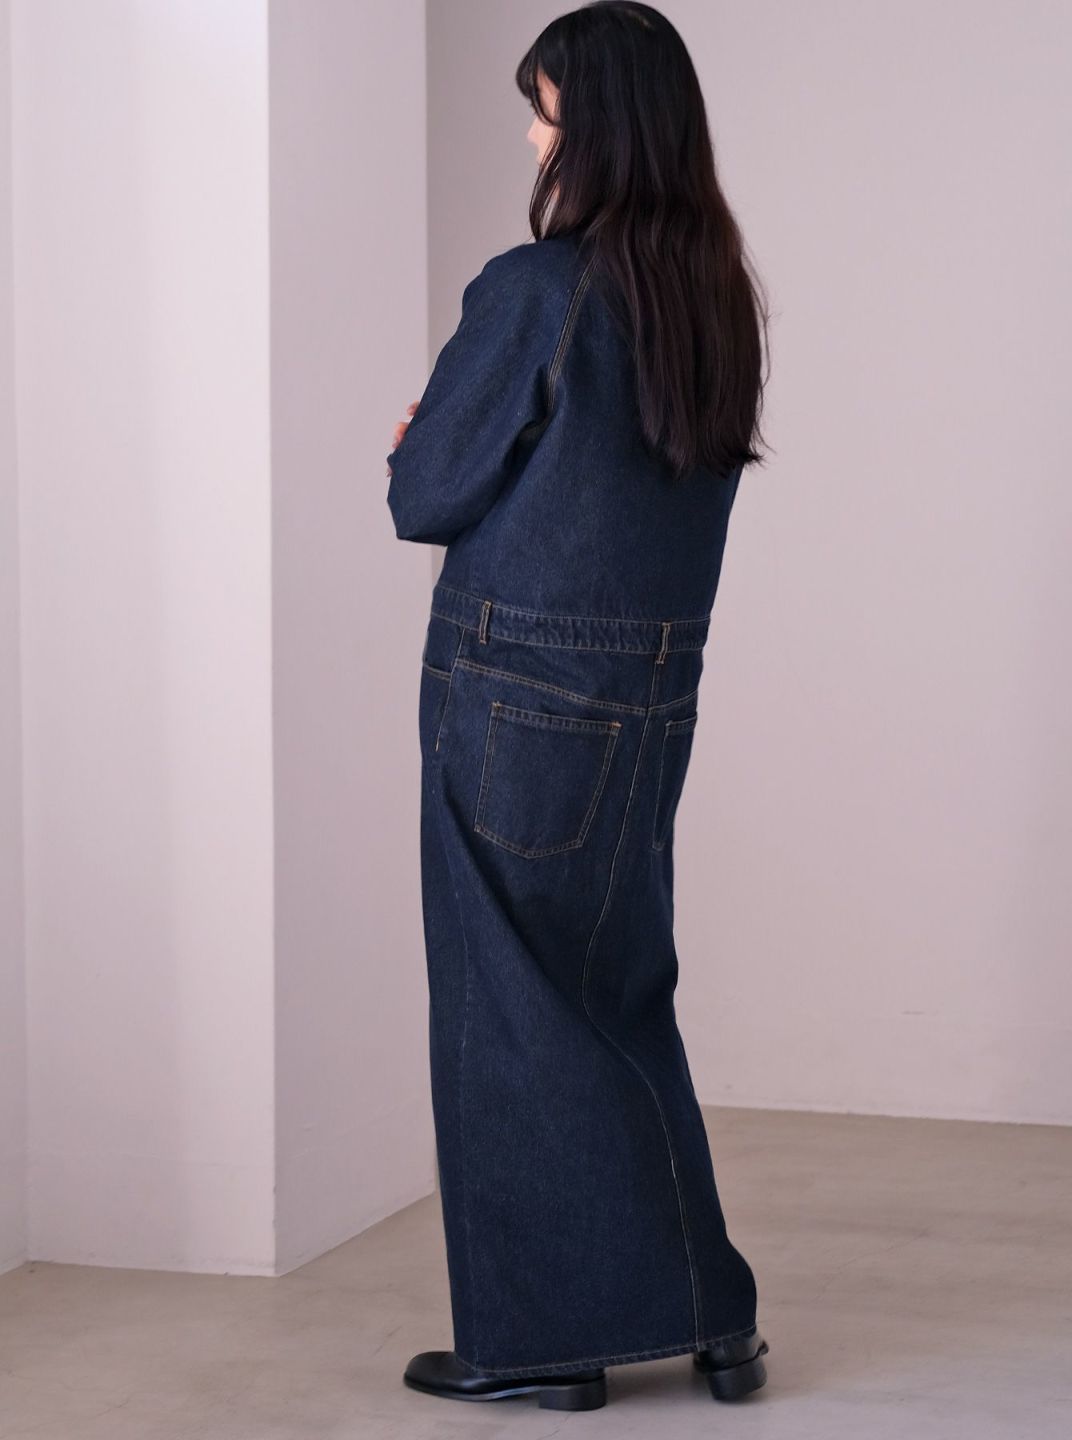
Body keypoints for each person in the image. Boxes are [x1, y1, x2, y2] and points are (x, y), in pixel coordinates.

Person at [386, 1, 772, 1414]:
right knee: (618, 996)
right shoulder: (712, 298)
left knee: (508, 1014)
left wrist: (418, 440)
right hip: (649, 699)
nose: (532, 138)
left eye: (544, 111)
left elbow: (426, 492)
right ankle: (712, 1317)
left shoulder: (539, 288)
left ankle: (547, 1345)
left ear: (595, 127)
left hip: (514, 693)